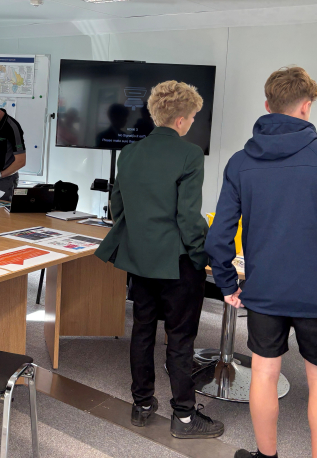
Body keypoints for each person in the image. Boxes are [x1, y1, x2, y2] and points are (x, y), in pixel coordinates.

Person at [206, 67, 317, 458]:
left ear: (267, 106)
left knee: (265, 373)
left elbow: (219, 235)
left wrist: (228, 284)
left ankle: (267, 456)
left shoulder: (239, 162)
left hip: (265, 289)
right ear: (307, 106)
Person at [95, 81, 225, 439]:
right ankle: (184, 417)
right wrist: (201, 256)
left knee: (142, 329)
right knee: (180, 338)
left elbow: (117, 206)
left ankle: (142, 404)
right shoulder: (190, 154)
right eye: (194, 117)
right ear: (182, 120)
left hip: (140, 260)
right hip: (178, 263)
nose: (193, 123)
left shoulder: (130, 153)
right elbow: (188, 217)